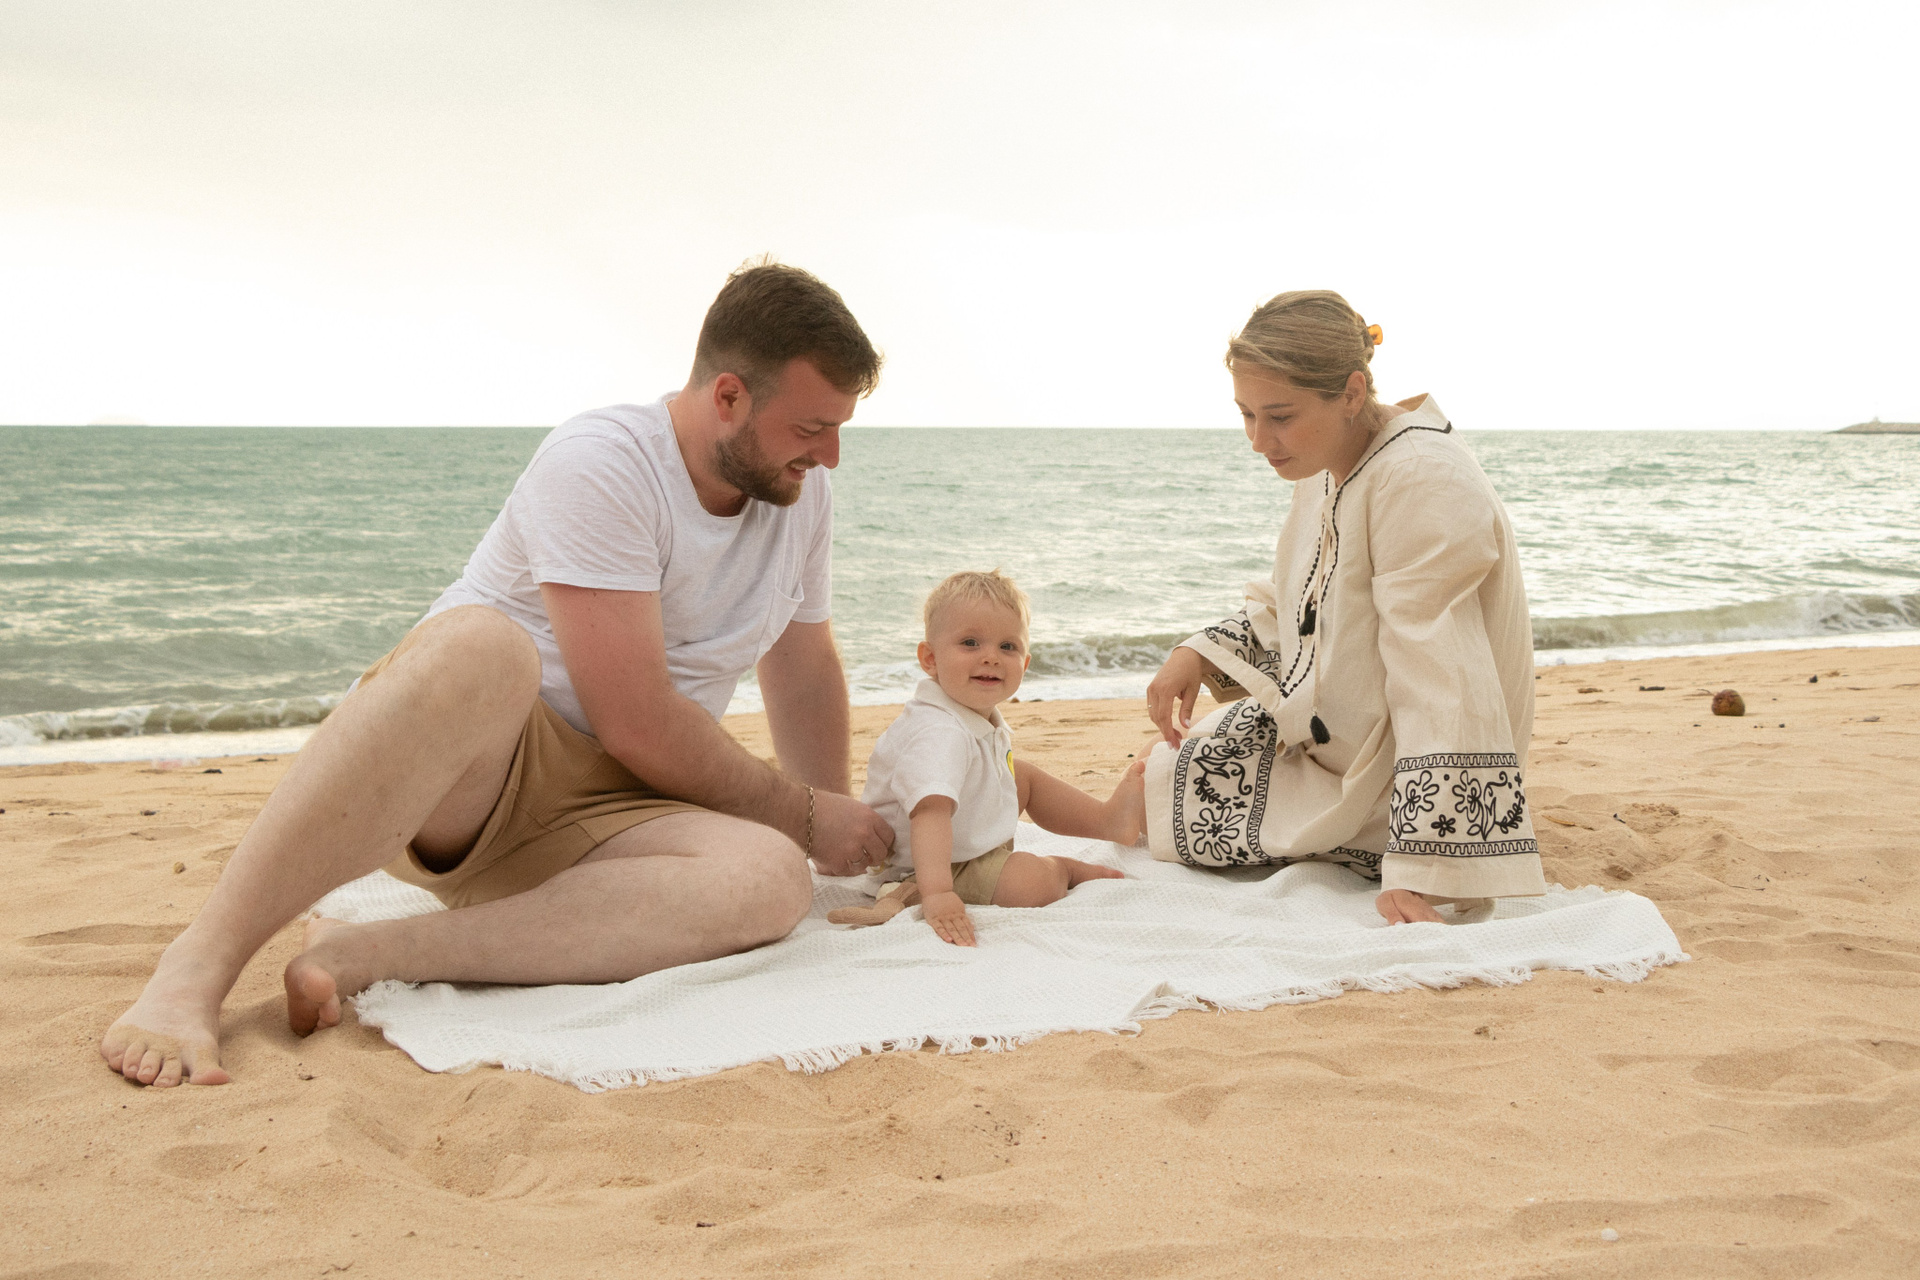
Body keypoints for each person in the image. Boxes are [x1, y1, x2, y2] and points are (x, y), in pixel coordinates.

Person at [101, 262, 897, 1087]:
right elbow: (634, 719)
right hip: (480, 773)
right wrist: (804, 814)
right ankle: (197, 965)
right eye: (813, 427)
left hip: (629, 807)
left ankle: (371, 952)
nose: (831, 455)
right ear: (728, 396)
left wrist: (825, 833)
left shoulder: (798, 492)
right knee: (484, 646)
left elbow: (802, 664)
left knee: (769, 879)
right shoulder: (605, 461)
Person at [1142, 290, 1545, 925]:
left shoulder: (1420, 479)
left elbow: (1443, 677)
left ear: (1352, 393)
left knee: (1149, 800)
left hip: (1394, 784)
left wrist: (1424, 871)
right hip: (1340, 744)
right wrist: (1197, 654)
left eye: (1279, 416)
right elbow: (1299, 607)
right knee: (1153, 771)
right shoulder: (1332, 462)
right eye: (1246, 415)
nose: (1259, 441)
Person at [829, 570, 1139, 946]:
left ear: (1025, 664)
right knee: (1030, 884)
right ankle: (1064, 869)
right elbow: (929, 814)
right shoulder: (938, 731)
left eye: (1007, 647)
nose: (991, 657)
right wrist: (938, 894)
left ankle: (1106, 821)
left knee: (1021, 776)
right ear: (930, 659)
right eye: (970, 643)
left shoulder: (973, 714)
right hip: (923, 866)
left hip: (962, 835)